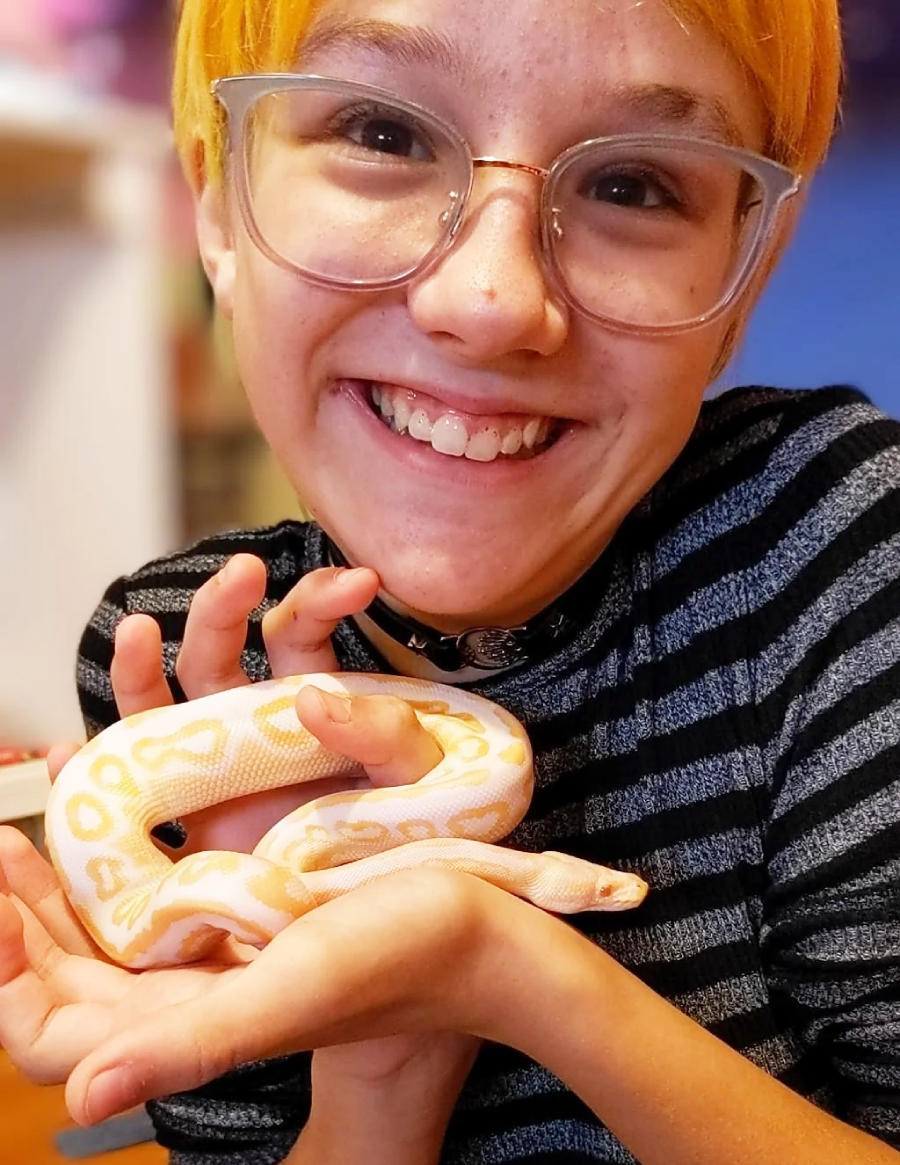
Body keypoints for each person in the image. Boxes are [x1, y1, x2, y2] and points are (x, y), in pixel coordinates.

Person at [1, 0, 899, 1161]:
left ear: (744, 270)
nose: (491, 301)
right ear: (218, 206)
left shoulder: (834, 552)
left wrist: (517, 974)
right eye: (382, 132)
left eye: (631, 184)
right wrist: (381, 1045)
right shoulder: (179, 653)